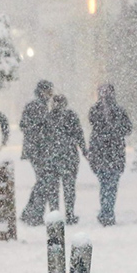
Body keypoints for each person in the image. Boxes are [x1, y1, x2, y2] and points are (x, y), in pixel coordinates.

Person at [88, 84, 132, 226]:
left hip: (107, 153)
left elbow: (127, 128)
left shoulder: (100, 111)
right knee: (109, 185)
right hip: (109, 153)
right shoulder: (108, 111)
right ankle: (107, 212)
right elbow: (127, 128)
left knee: (107, 184)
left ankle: (106, 212)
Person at [19, 80, 55, 225]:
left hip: (36, 150)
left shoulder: (39, 106)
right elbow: (27, 126)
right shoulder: (38, 106)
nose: (51, 95)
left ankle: (30, 212)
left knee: (42, 182)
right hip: (38, 151)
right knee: (44, 182)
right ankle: (34, 214)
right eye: (49, 91)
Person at [46, 95, 86, 224]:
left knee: (53, 189)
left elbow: (42, 138)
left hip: (52, 157)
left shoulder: (48, 117)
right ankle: (69, 214)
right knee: (69, 188)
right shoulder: (71, 116)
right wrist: (84, 150)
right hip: (69, 157)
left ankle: (55, 215)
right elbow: (79, 134)